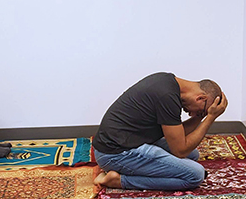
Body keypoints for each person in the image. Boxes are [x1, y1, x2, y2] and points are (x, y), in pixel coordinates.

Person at [92, 72, 227, 191]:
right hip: (114, 153)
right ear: (200, 98)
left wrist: (204, 115)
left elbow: (178, 136)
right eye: (200, 111)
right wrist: (210, 118)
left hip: (126, 142)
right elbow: (180, 150)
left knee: (192, 155)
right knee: (195, 175)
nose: (193, 115)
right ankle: (119, 181)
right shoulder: (167, 96)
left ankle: (130, 170)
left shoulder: (168, 82)